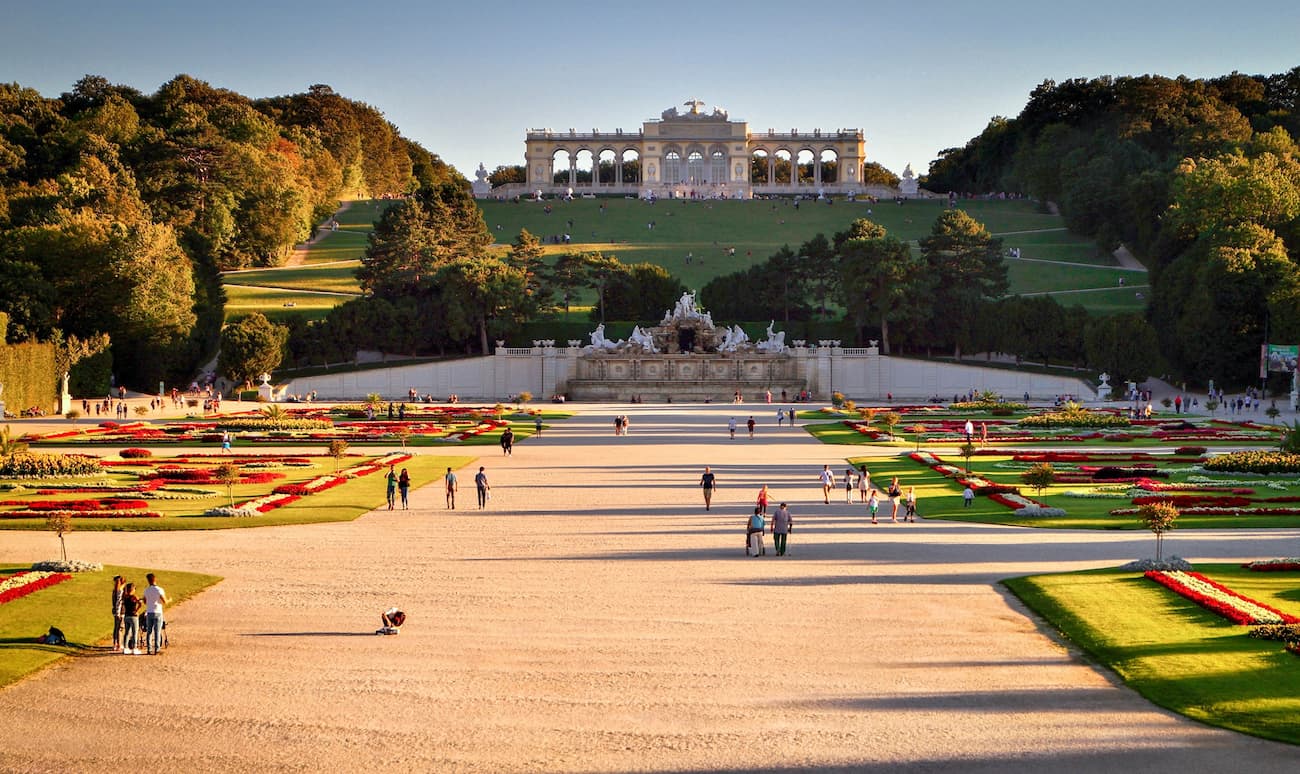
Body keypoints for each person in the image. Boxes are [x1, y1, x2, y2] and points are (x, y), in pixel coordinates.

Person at [142, 573, 168, 656]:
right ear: (155, 579)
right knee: (157, 631)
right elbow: (164, 601)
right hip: (158, 612)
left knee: (149, 631)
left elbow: (145, 601)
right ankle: (157, 649)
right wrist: (169, 600)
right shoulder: (159, 589)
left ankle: (149, 649)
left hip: (149, 612)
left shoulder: (146, 590)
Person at [121, 582, 142, 655]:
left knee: (127, 632)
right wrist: (136, 610)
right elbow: (140, 604)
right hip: (133, 616)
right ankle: (134, 648)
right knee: (134, 632)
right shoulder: (134, 597)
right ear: (133, 589)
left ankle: (125, 648)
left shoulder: (125, 597)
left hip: (126, 616)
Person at [111, 575, 125, 653]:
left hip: (115, 611)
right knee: (120, 628)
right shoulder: (120, 591)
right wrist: (118, 612)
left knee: (116, 628)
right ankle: (119, 644)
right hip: (120, 612)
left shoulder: (114, 591)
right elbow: (119, 603)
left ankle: (115, 643)